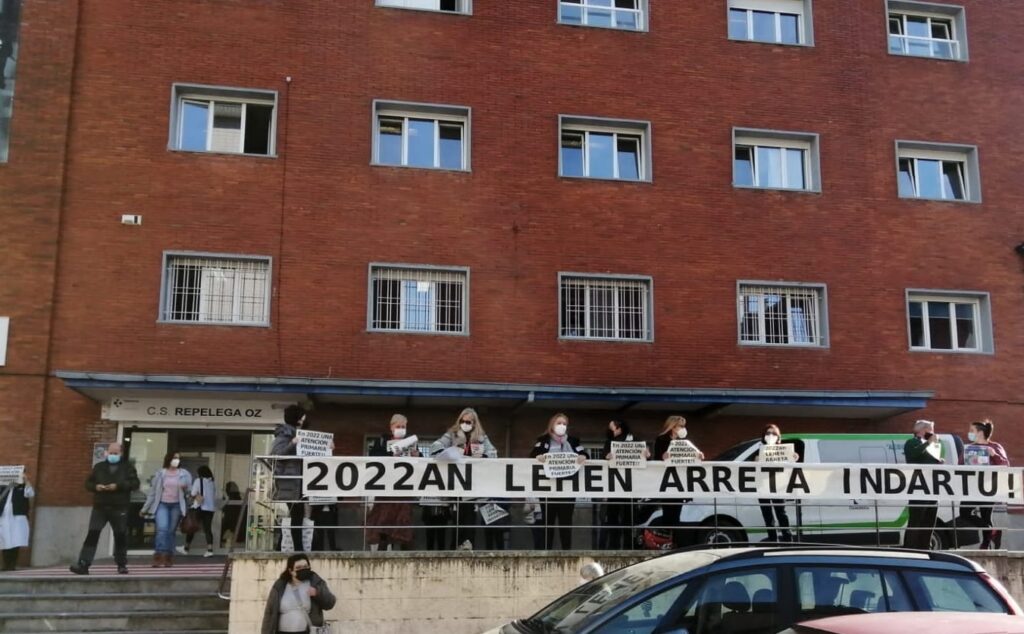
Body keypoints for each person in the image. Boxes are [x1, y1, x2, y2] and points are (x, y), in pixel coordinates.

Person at [430, 408, 500, 550]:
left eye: (468, 422)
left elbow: (493, 453)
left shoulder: (482, 437)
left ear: (474, 423)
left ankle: (468, 545)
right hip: (455, 482)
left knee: (470, 515)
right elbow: (435, 446)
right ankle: (455, 546)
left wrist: (483, 457)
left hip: (473, 483)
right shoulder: (452, 433)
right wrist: (447, 452)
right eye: (462, 421)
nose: (465, 424)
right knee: (457, 515)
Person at [70, 442, 140, 575]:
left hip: (119, 507)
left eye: (115, 453)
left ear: (121, 453)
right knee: (92, 535)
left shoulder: (127, 467)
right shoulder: (99, 467)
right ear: (106, 453)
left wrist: (118, 486)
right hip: (100, 506)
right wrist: (96, 487)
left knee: (120, 536)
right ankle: (83, 564)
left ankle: (121, 564)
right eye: (111, 453)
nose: (113, 455)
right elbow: (88, 483)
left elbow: (135, 483)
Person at [530, 413, 587, 550]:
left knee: (566, 523)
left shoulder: (573, 441)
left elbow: (584, 453)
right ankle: (547, 553)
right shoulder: (544, 440)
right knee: (547, 524)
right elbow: (533, 454)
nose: (562, 426)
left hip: (567, 490)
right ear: (552, 425)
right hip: (548, 490)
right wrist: (538, 457)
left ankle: (567, 553)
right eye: (559, 423)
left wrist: (583, 456)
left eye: (564, 424)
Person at [366, 414, 419, 551]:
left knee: (404, 523)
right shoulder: (381, 441)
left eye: (403, 426)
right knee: (384, 523)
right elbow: (373, 458)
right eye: (398, 426)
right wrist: (390, 455)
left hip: (404, 490)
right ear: (391, 427)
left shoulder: (411, 442)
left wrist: (418, 456)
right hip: (386, 490)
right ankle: (382, 556)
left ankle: (406, 556)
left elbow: (421, 465)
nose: (401, 429)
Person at [652, 416, 702, 547]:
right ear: (673, 427)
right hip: (667, 481)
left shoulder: (684, 441)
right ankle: (665, 542)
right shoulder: (661, 440)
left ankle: (674, 543)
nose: (683, 429)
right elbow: (657, 458)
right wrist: (663, 457)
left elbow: (693, 453)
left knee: (677, 514)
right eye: (681, 426)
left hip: (680, 482)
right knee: (668, 513)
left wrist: (699, 455)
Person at [961, 419, 1009, 549]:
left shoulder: (995, 447)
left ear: (980, 432)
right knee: (964, 511)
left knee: (986, 515)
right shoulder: (969, 448)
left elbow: (1005, 464)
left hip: (989, 486)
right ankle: (993, 531)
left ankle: (985, 544)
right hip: (972, 487)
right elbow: (959, 465)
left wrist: (994, 454)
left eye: (972, 430)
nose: (969, 433)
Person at [261, 553, 337, 634]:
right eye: (299, 568)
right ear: (291, 571)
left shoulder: (315, 582)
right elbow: (269, 612)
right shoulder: (280, 586)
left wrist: (317, 593)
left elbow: (330, 603)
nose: (303, 569)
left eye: (305, 566)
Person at [601, 418, 647, 550]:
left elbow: (645, 456)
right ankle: (613, 548)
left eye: (613, 427)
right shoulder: (609, 442)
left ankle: (628, 547)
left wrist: (647, 454)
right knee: (613, 518)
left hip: (630, 487)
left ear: (620, 427)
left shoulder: (635, 440)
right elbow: (603, 456)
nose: (612, 430)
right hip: (614, 487)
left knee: (629, 519)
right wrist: (607, 456)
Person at [141, 451, 193, 567]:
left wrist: (185, 489)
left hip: (177, 505)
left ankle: (168, 556)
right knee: (162, 529)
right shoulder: (160, 473)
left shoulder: (184, 474)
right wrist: (145, 508)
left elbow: (190, 491)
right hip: (162, 505)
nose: (176, 460)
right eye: (174, 458)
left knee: (170, 531)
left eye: (178, 458)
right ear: (169, 459)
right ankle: (159, 555)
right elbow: (153, 492)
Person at [272, 404, 309, 552]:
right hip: (291, 482)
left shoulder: (296, 434)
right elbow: (276, 454)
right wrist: (292, 444)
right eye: (302, 418)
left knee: (297, 515)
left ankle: (288, 548)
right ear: (297, 419)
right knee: (296, 515)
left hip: (297, 481)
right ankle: (298, 549)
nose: (304, 420)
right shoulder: (285, 435)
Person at [903, 419, 943, 549]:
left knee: (929, 521)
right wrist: (928, 442)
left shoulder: (932, 445)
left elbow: (931, 460)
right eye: (931, 430)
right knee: (916, 521)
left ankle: (925, 547)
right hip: (918, 487)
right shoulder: (911, 442)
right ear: (923, 430)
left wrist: (939, 461)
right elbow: (913, 455)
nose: (933, 433)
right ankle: (910, 548)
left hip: (932, 488)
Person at [756, 423, 797, 542]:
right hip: (763, 487)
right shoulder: (759, 450)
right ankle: (773, 540)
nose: (770, 436)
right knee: (767, 515)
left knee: (781, 513)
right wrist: (757, 459)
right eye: (768, 433)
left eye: (774, 434)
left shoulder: (784, 451)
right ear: (763, 436)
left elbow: (791, 463)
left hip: (778, 486)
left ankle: (788, 539)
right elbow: (753, 463)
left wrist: (794, 457)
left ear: (778, 437)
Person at [0, 470, 33, 570]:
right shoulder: (3, 488)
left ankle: (12, 565)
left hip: (17, 519)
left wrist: (26, 480)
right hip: (4, 518)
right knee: (4, 541)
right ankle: (6, 565)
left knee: (15, 541)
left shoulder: (22, 487)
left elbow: (30, 493)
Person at [184, 465, 217, 557]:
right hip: (210, 509)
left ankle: (186, 548)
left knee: (192, 527)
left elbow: (193, 493)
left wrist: (190, 496)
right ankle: (210, 550)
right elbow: (214, 495)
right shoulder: (213, 482)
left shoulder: (198, 481)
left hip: (199, 507)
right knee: (207, 529)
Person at [220, 481, 244, 547]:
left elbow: (224, 509)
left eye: (226, 488)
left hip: (231, 519)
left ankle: (218, 540)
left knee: (221, 525)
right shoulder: (238, 497)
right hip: (237, 520)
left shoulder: (230, 498)